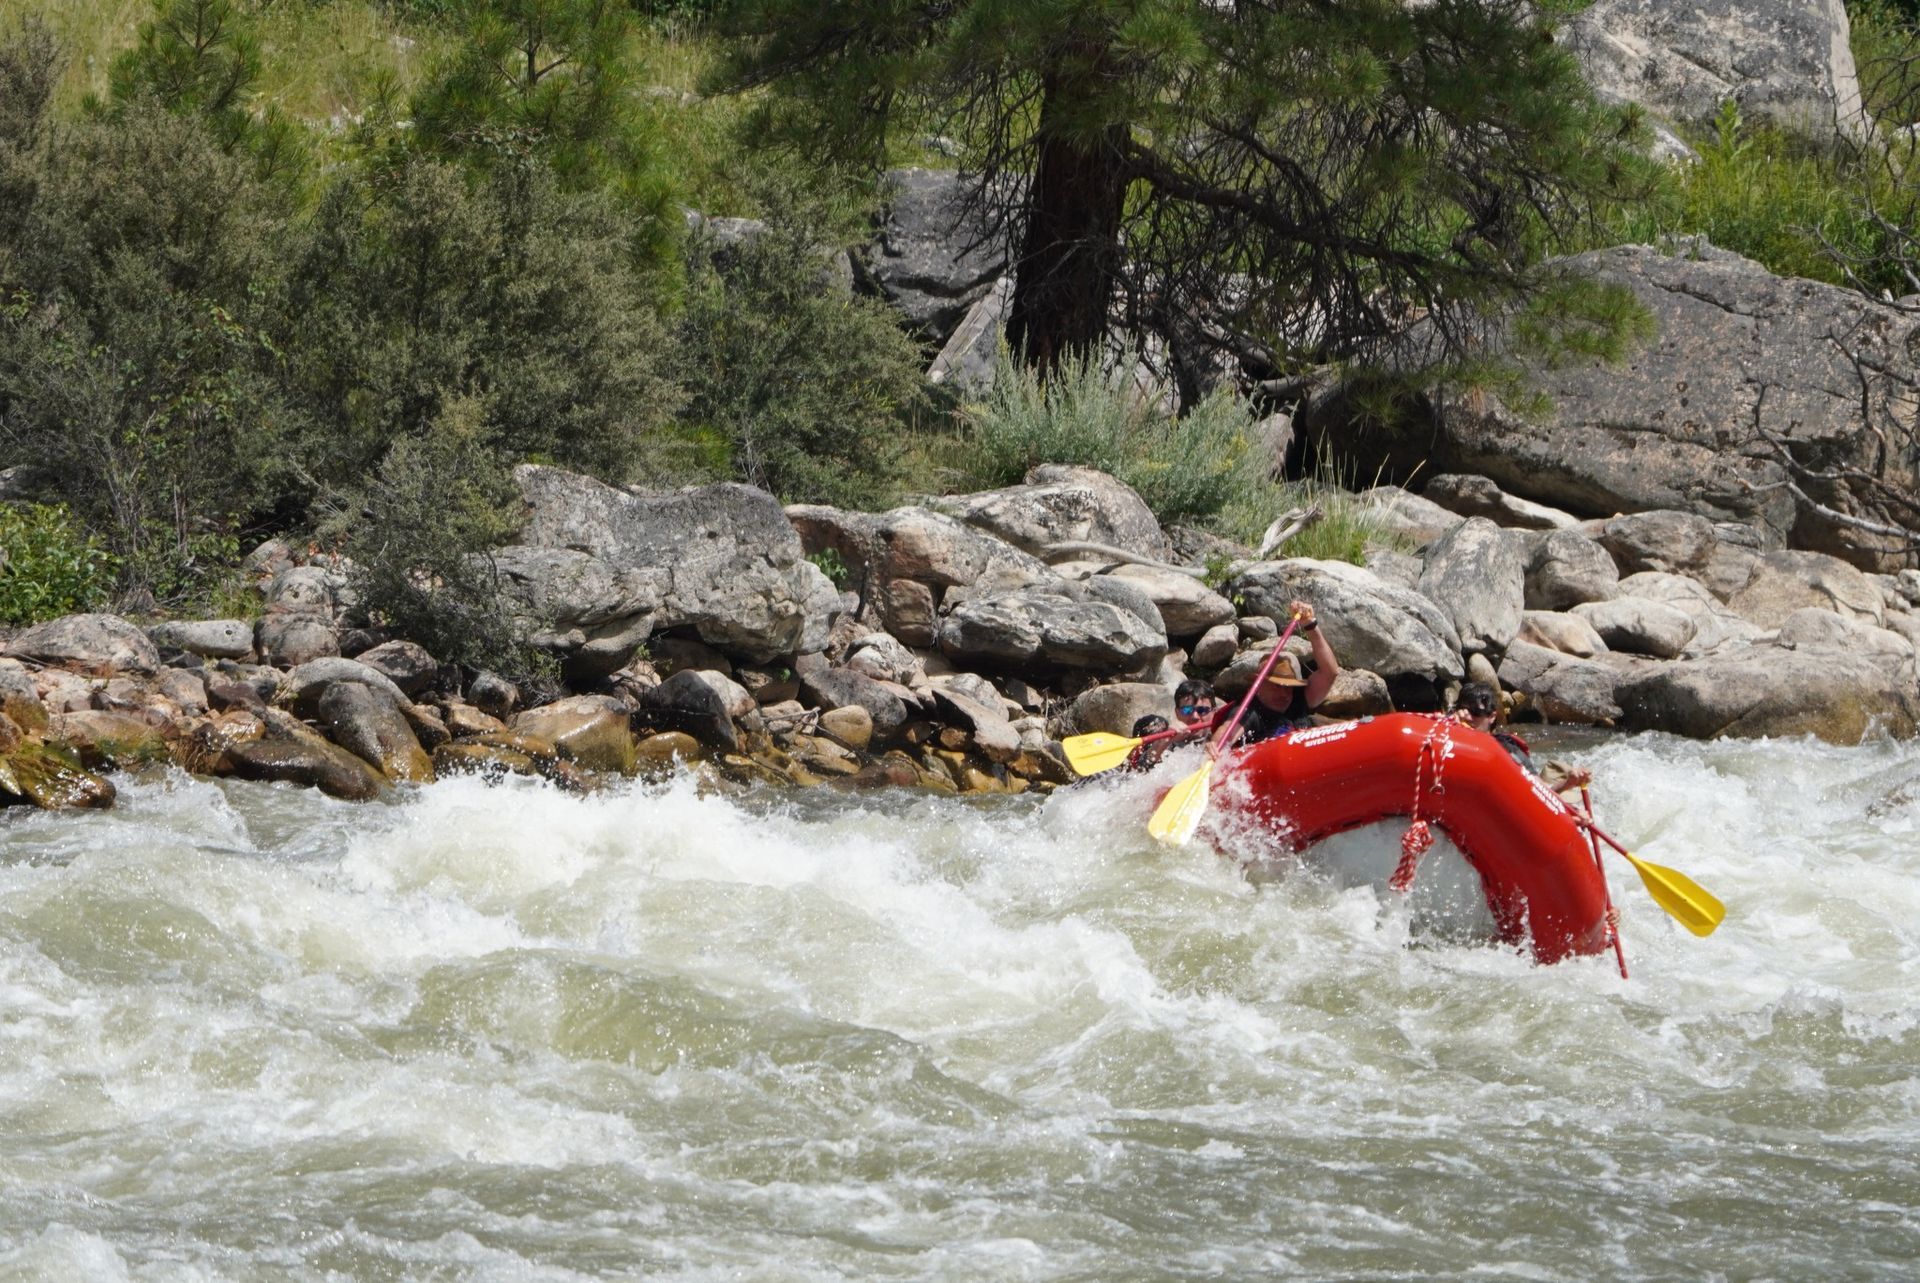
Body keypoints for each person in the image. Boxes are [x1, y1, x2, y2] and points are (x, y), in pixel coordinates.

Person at [1226, 599, 1341, 745]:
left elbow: (1330, 672)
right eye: (1277, 685)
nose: (1284, 693)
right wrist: (1215, 747)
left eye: (1288, 687)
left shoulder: (1298, 699)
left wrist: (1310, 625)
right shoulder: (1249, 711)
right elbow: (1227, 733)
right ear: (1258, 685)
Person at [1453, 681, 1591, 794]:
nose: (1468, 717)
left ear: (1492, 716)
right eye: (1464, 710)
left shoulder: (1507, 749)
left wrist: (1567, 784)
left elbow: (1540, 791)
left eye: (1476, 712)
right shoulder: (1448, 731)